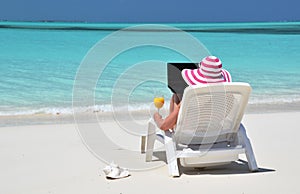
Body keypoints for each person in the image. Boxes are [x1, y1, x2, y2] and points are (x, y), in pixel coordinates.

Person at [153, 55, 232, 131]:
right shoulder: (227, 99)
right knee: (176, 96)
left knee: (175, 96)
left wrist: (157, 118)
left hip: (190, 136)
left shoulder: (192, 100)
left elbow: (164, 126)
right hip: (215, 133)